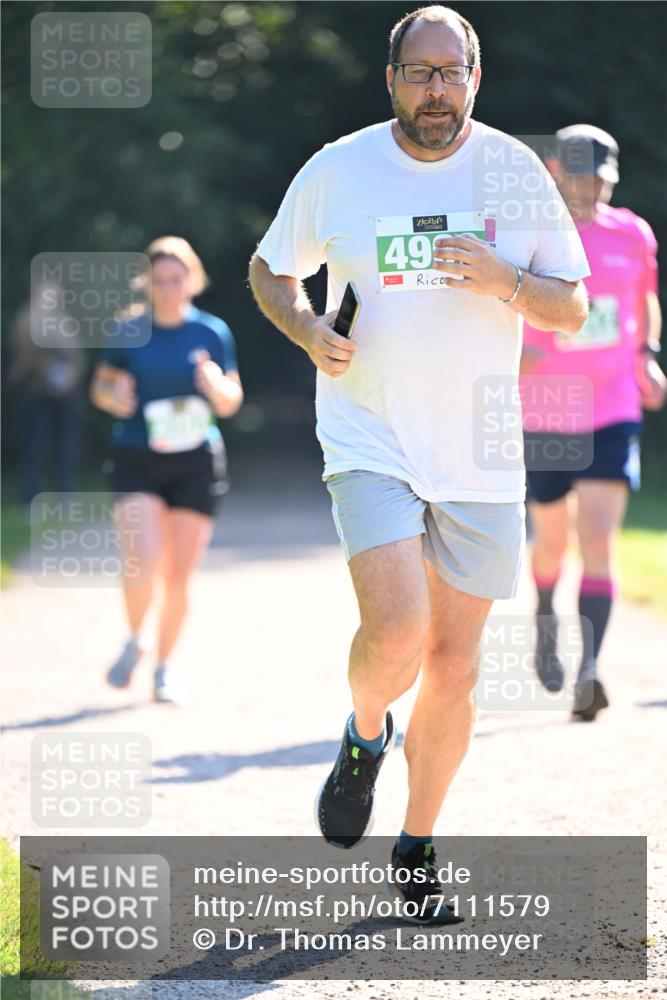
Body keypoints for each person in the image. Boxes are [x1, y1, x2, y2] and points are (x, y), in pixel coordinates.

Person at [249, 5, 589, 921]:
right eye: (418, 71)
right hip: (370, 435)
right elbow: (270, 269)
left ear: (474, 79)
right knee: (397, 633)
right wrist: (305, 326)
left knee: (454, 664)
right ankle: (364, 736)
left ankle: (417, 843)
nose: (434, 89)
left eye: (451, 73)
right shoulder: (339, 168)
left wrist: (505, 281)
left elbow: (572, 310)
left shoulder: (515, 173)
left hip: (479, 452)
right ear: (389, 77)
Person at [520, 125, 665, 721]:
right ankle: (546, 608)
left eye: (600, 180)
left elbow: (644, 301)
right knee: (552, 542)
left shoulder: (633, 234)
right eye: (579, 178)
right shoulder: (533, 232)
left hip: (611, 406)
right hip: (549, 403)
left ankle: (589, 671)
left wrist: (648, 355)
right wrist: (514, 348)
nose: (590, 191)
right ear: (557, 172)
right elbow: (502, 295)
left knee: (598, 539)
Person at [91, 237, 243, 703]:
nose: (169, 288)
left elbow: (233, 399)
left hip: (196, 460)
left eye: (177, 279)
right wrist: (114, 398)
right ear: (149, 284)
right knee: (143, 555)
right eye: (159, 281)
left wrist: (216, 387)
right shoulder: (128, 332)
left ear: (191, 280)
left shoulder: (212, 332)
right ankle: (135, 638)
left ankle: (164, 666)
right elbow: (101, 386)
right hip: (137, 457)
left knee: (178, 576)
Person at [9, 281, 85, 504]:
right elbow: (26, 355)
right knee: (35, 448)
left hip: (66, 395)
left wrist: (70, 377)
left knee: (66, 449)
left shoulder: (65, 321)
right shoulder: (25, 320)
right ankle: (30, 499)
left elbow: (77, 356)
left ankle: (65, 498)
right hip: (36, 392)